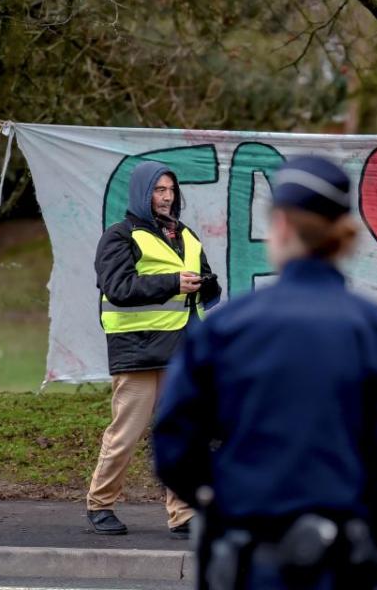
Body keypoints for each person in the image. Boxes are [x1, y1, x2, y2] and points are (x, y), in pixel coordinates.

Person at [153, 155, 377, 589]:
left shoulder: (229, 329)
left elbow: (175, 444)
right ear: (343, 237)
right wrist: (371, 533)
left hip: (250, 561)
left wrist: (223, 502)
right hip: (350, 565)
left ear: (280, 226)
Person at [88, 160, 220, 538]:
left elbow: (203, 287)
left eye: (170, 190)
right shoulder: (120, 236)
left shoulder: (186, 235)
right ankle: (100, 503)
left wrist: (206, 284)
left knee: (182, 434)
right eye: (158, 191)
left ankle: (181, 514)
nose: (166, 197)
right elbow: (119, 287)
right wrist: (173, 282)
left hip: (182, 351)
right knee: (125, 434)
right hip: (140, 352)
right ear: (142, 194)